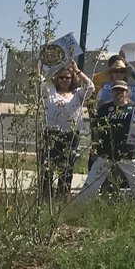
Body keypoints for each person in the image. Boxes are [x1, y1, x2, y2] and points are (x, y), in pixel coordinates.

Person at [67, 82, 135, 208]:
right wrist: (94, 146)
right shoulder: (104, 109)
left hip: (127, 152)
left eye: (122, 91)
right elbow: (97, 130)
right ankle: (79, 205)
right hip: (105, 151)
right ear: (112, 92)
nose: (119, 93)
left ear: (127, 92)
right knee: (93, 179)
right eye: (116, 90)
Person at [41, 62, 94, 199]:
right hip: (51, 133)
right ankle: (46, 195)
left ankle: (62, 196)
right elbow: (38, 81)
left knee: (67, 166)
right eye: (61, 77)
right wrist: (46, 66)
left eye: (68, 78)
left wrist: (77, 70)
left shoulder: (78, 94)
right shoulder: (50, 91)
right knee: (48, 166)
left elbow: (91, 87)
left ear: (72, 79)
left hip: (70, 135)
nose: (64, 80)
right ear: (57, 79)